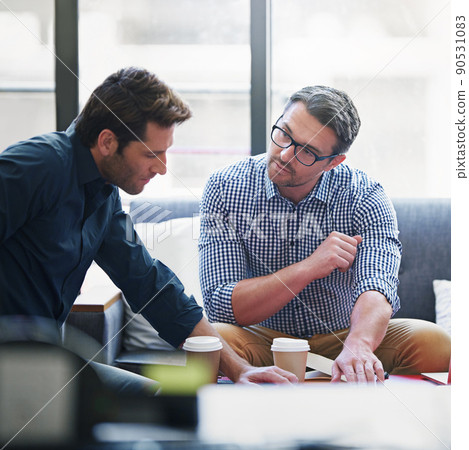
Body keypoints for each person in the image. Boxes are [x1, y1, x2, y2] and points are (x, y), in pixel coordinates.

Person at [0, 67, 297, 394]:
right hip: (16, 365)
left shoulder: (103, 192)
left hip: (45, 363)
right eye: (151, 154)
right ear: (107, 142)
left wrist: (240, 370)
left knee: (168, 403)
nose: (162, 167)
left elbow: (149, 283)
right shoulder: (37, 166)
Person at [199, 85, 451, 383]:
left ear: (333, 162)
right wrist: (309, 267)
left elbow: (377, 286)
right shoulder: (225, 186)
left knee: (434, 341)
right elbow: (220, 304)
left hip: (342, 336)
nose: (284, 154)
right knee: (211, 344)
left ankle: (355, 372)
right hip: (260, 339)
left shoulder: (365, 195)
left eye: (307, 151)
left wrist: (359, 345)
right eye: (284, 133)